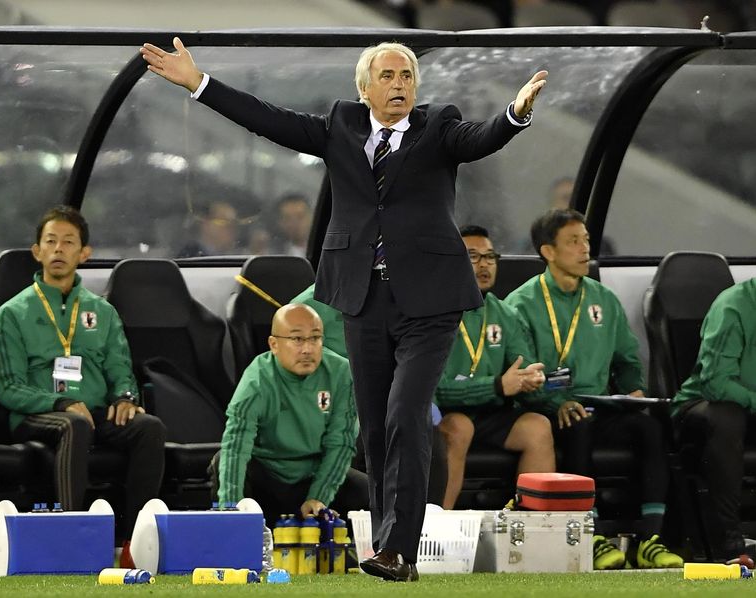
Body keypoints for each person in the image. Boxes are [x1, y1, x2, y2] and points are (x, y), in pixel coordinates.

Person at [141, 37, 546, 582]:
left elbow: (480, 139)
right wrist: (199, 83)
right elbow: (268, 119)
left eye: (406, 76)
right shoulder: (340, 126)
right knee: (376, 425)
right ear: (365, 88)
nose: (399, 84)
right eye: (388, 76)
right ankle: (385, 548)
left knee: (407, 413)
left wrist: (515, 114)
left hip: (429, 301)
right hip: (362, 296)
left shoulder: (437, 127)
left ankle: (401, 549)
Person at [505, 208, 682, 570]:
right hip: (544, 408)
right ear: (548, 251)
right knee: (577, 423)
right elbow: (522, 374)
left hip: (601, 406)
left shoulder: (603, 298)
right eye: (573, 241)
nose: (585, 248)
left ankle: (650, 537)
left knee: (650, 427)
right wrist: (555, 402)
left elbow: (627, 359)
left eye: (586, 240)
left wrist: (633, 390)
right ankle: (593, 533)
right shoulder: (520, 305)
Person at [0, 205, 166, 567]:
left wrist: (124, 397)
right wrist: (61, 402)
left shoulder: (102, 312)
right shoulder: (13, 313)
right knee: (74, 424)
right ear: (37, 252)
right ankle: (74, 538)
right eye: (50, 242)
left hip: (93, 411)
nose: (59, 249)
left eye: (68, 242)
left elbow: (120, 369)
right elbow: (8, 387)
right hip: (38, 413)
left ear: (83, 254)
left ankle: (136, 542)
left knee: (148, 428)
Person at [290, 283, 450, 507]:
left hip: (387, 400)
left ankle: (429, 522)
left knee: (426, 435)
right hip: (334, 406)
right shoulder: (306, 308)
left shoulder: (397, 300)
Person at [210, 303, 368, 528]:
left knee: (370, 495)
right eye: (297, 339)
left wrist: (319, 497)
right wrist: (233, 510)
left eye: (315, 338)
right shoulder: (257, 380)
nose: (307, 349)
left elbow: (340, 445)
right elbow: (236, 447)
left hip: (313, 474)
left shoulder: (342, 374)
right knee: (220, 462)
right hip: (267, 476)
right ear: (274, 345)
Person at [435, 225, 553, 510]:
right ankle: (436, 529)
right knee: (460, 427)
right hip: (446, 415)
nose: (484, 264)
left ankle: (532, 529)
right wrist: (497, 385)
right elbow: (436, 389)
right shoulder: (433, 313)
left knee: (538, 427)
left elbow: (520, 370)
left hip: (490, 413)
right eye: (473, 257)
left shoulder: (505, 314)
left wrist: (531, 382)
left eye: (490, 257)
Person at [672, 277, 756, 561]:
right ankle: (730, 542)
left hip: (750, 409)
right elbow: (716, 383)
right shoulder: (734, 306)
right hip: (702, 406)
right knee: (727, 418)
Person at [272, 193, 313, 257]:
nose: (294, 223)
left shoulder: (324, 250)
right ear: (280, 222)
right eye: (287, 218)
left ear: (310, 218)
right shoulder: (273, 254)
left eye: (300, 217)